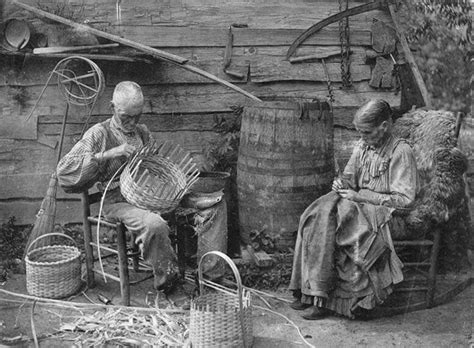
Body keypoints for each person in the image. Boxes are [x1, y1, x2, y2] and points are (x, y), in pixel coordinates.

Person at [289, 99, 419, 320]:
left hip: (389, 215)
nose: (363, 138)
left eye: (367, 133)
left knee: (337, 220)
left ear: (385, 127)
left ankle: (324, 299)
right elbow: (349, 178)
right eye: (361, 133)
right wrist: (341, 184)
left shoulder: (401, 151)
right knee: (315, 212)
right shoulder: (363, 146)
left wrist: (361, 196)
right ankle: (309, 291)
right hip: (357, 203)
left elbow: (406, 201)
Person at [57, 81, 179, 291]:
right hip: (115, 201)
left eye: (137, 116)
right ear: (112, 107)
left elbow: (156, 166)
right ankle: (168, 284)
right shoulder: (99, 133)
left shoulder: (142, 132)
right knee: (154, 224)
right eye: (126, 117)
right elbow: (64, 170)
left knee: (211, 204)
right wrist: (108, 154)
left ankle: (213, 275)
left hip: (146, 196)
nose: (132, 122)